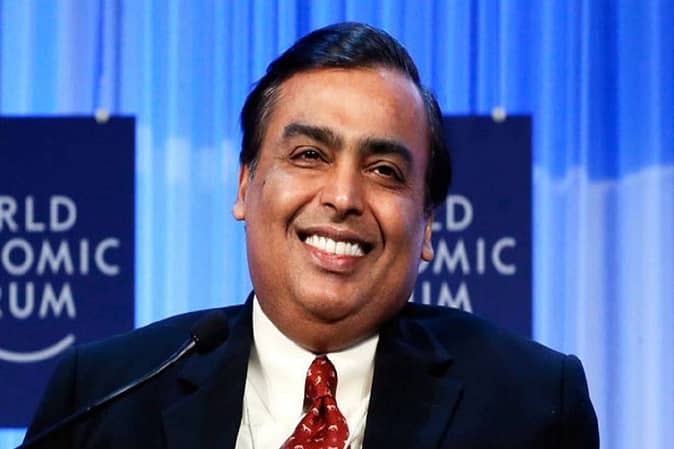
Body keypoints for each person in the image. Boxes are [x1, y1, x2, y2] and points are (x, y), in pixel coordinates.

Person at [24, 22, 599, 449]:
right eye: (308, 155)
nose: (343, 197)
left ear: (427, 223)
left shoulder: (531, 406)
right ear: (245, 185)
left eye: (384, 171)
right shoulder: (103, 398)